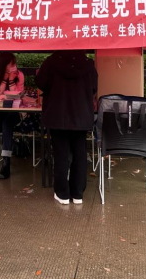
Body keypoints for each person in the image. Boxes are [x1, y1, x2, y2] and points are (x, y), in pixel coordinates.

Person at [35, 50, 98, 205]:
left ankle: (62, 193)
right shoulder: (88, 64)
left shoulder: (50, 62)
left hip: (58, 115)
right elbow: (93, 88)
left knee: (61, 154)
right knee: (80, 153)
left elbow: (40, 83)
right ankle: (77, 194)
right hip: (81, 115)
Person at [0, 52, 24, 180]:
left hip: (16, 110)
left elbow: (18, 95)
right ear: (3, 64)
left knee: (7, 123)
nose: (13, 66)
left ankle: (6, 162)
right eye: (11, 64)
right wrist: (4, 79)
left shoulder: (19, 75)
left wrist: (11, 81)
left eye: (14, 63)